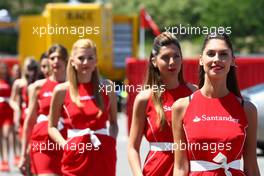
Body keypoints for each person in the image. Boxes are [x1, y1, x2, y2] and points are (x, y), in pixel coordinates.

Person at [172, 32, 260, 176]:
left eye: (223, 54)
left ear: (232, 60)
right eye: (211, 53)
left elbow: (251, 167)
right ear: (201, 60)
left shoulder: (247, 109)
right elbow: (180, 167)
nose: (217, 59)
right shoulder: (181, 107)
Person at [128, 32, 197, 176]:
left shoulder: (194, 93)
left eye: (176, 56)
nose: (172, 62)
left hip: (190, 168)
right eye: (165, 57)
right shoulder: (144, 98)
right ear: (154, 61)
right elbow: (132, 147)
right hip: (156, 169)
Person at [48, 39, 118, 176]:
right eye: (81, 58)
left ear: (96, 61)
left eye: (90, 58)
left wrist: (111, 142)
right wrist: (65, 145)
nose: (85, 62)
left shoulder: (107, 87)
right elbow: (52, 126)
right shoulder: (62, 90)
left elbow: (114, 122)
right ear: (72, 61)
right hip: (75, 154)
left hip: (102, 152)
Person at [18, 44, 68, 175]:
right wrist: (24, 154)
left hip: (67, 144)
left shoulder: (74, 87)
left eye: (60, 58)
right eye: (52, 58)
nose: (56, 61)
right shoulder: (37, 87)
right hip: (43, 144)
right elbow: (29, 122)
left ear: (67, 61)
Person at [9, 57, 40, 166]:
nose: (31, 70)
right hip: (23, 116)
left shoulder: (37, 83)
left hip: (35, 117)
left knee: (32, 146)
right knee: (25, 144)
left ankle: (31, 167)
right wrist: (16, 110)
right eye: (28, 67)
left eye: (33, 68)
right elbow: (12, 100)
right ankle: (27, 166)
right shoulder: (19, 83)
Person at [0, 62, 14, 172]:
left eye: (5, 68)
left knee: (5, 135)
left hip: (8, 111)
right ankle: (3, 160)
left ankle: (6, 159)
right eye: (1, 68)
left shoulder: (10, 81)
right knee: (1, 137)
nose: (3, 70)